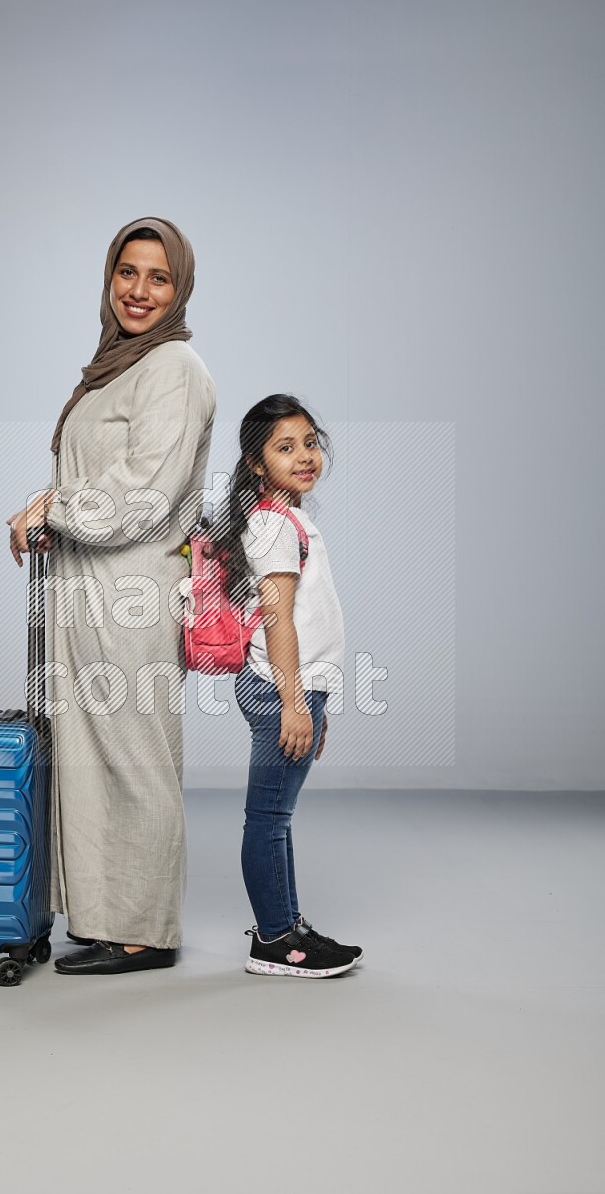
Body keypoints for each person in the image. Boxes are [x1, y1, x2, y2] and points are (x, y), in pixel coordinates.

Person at [6, 217, 216, 975]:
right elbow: (98, 476)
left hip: (129, 590)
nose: (139, 290)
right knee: (89, 757)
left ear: (180, 287)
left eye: (158, 278)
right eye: (127, 272)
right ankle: (105, 916)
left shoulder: (174, 367)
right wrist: (47, 503)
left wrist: (55, 510)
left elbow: (148, 495)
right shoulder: (115, 364)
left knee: (135, 759)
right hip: (83, 587)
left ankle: (145, 933)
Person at [221, 394, 363, 977]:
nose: (304, 456)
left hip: (297, 688)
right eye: (285, 448)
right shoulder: (274, 525)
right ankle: (275, 942)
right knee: (268, 816)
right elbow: (277, 618)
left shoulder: (289, 518)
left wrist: (312, 704)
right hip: (282, 687)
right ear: (257, 462)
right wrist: (294, 703)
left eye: (309, 443)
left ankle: (287, 928)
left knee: (276, 815)